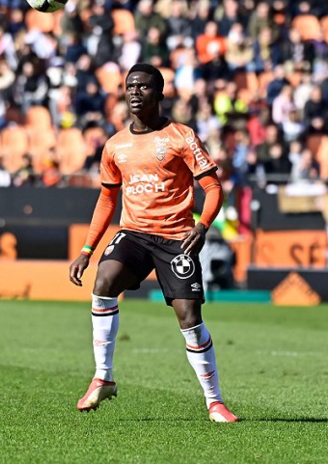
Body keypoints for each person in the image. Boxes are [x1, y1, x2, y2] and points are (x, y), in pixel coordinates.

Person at [68, 63, 238, 423]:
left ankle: (214, 401)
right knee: (104, 282)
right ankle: (103, 376)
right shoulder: (115, 146)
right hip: (134, 233)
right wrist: (87, 250)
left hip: (177, 237)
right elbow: (107, 200)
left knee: (189, 318)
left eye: (143, 87)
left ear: (159, 95)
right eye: (130, 86)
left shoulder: (180, 136)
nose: (134, 92)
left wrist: (203, 225)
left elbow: (212, 187)